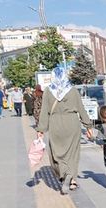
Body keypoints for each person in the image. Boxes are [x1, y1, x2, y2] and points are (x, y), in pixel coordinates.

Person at [36, 67, 92, 195]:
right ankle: (72, 179)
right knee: (72, 153)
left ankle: (65, 174)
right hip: (72, 123)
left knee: (57, 154)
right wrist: (88, 126)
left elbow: (44, 111)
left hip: (55, 124)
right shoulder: (73, 91)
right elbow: (81, 109)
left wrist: (41, 129)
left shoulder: (48, 91)